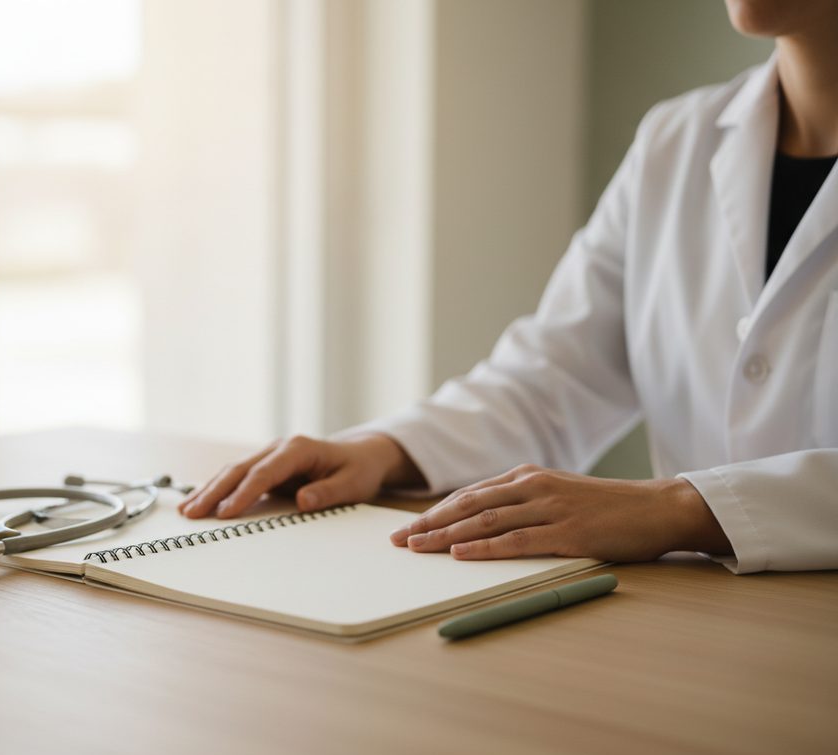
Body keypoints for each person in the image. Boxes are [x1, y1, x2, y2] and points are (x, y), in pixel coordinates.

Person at [178, 0, 838, 574]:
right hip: (709, 630)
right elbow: (551, 380)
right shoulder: (676, 140)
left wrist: (682, 508)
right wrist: (383, 449)